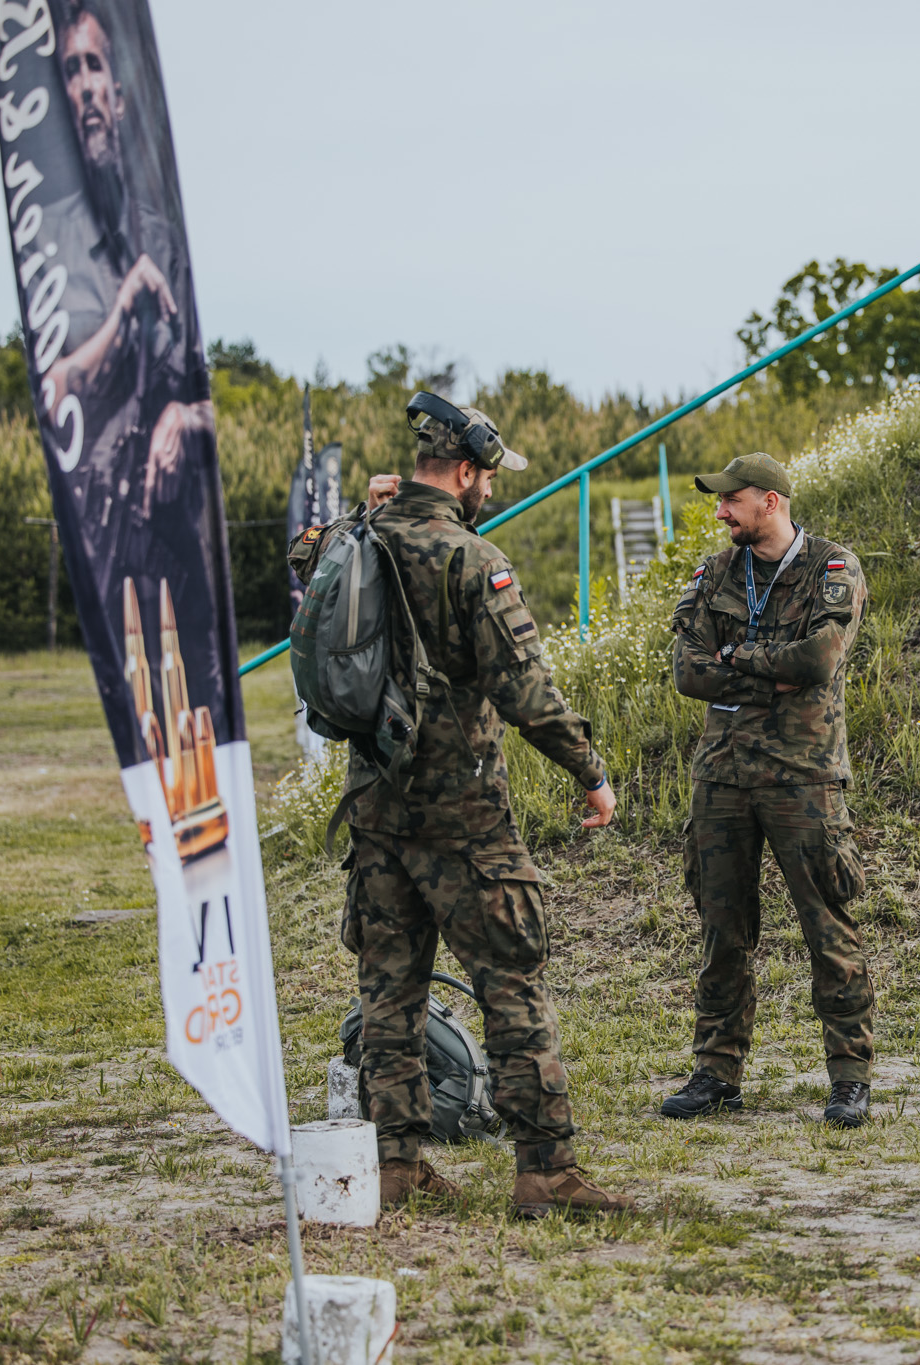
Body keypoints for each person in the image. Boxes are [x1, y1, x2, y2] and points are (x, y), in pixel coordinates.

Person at [289, 394, 632, 1219]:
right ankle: (545, 1171)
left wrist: (363, 510)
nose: (489, 493)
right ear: (468, 471)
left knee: (389, 990)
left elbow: (307, 559)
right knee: (512, 980)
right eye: (488, 478)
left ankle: (397, 1161)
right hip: (465, 813)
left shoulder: (357, 533)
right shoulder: (472, 558)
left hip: (374, 805)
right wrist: (590, 769)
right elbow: (525, 689)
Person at [664, 453, 875, 1128]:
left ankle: (849, 1076)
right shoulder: (715, 572)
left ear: (772, 502)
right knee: (722, 932)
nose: (721, 509)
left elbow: (818, 660)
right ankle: (716, 1070)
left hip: (802, 774)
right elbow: (686, 670)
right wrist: (764, 670)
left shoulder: (831, 568)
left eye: (733, 499)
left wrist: (736, 657)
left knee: (828, 928)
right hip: (722, 775)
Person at [39, 0, 223, 743]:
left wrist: (186, 419)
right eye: (70, 71)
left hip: (181, 552)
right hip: (109, 550)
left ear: (118, 92)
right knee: (144, 738)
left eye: (94, 67)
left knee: (205, 726)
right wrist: (118, 319)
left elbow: (208, 399)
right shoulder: (55, 242)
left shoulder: (165, 231)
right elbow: (50, 391)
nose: (84, 86)